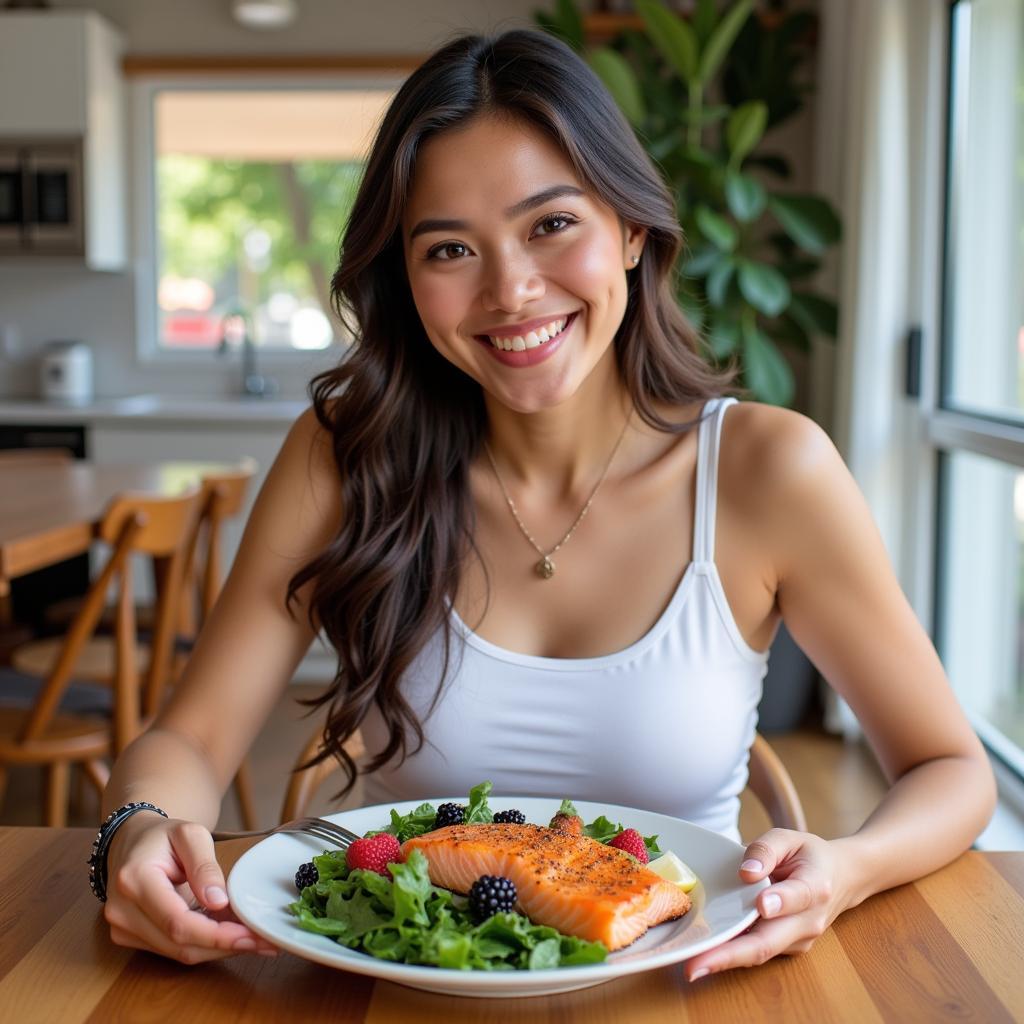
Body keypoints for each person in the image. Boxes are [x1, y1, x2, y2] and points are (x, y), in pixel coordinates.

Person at [96, 27, 996, 979]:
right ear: (406, 278)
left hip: (682, 984)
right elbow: (189, 739)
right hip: (407, 988)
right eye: (450, 248)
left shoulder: (768, 471)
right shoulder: (345, 457)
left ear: (632, 229)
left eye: (551, 224)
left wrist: (847, 868)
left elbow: (952, 770)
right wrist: (134, 836)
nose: (511, 291)